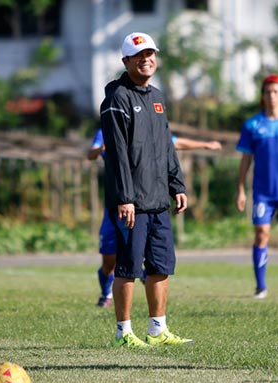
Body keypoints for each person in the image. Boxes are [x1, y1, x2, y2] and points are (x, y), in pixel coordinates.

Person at [100, 32, 193, 347]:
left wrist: (177, 184)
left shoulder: (157, 97)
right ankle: (123, 333)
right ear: (126, 61)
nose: (147, 59)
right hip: (131, 203)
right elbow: (117, 154)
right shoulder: (117, 99)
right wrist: (125, 198)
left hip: (157, 200)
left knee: (161, 265)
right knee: (128, 265)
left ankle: (157, 330)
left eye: (151, 54)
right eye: (139, 55)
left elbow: (167, 146)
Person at [88, 128, 222, 308]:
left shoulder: (145, 125)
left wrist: (205, 145)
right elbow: (91, 153)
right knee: (109, 260)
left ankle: (146, 288)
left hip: (143, 204)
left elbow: (173, 143)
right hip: (116, 205)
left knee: (146, 253)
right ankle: (106, 293)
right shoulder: (107, 128)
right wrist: (100, 149)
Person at [236, 73, 278, 299]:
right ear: (263, 96)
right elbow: (245, 159)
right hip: (263, 193)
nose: (272, 96)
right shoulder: (253, 124)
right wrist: (241, 189)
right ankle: (260, 286)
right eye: (268, 92)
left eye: (276, 92)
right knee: (262, 234)